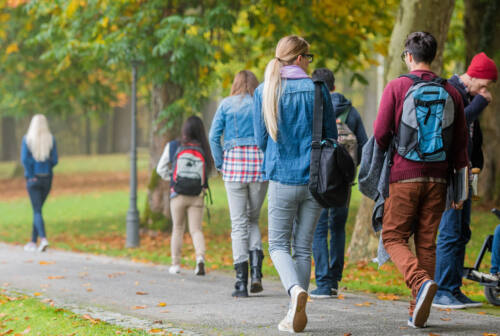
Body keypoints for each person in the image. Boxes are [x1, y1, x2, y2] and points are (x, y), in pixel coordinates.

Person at [374, 32, 468, 328]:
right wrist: (460, 187)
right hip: (439, 178)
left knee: (392, 236)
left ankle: (419, 280)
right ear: (434, 56)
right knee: (427, 243)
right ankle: (418, 309)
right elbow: (461, 144)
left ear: (409, 56)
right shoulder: (452, 92)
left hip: (404, 175)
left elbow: (379, 133)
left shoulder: (397, 86)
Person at [253, 35, 337, 333]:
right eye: (309, 57)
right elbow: (331, 137)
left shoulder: (265, 91)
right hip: (315, 180)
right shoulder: (318, 90)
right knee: (302, 247)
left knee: (277, 244)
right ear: (300, 58)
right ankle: (294, 309)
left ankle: (294, 292)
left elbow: (261, 140)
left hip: (281, 178)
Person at [433, 52, 498, 309]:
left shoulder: (470, 95)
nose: (485, 91)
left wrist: (478, 162)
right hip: (449, 173)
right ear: (473, 76)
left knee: (462, 232)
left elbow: (473, 133)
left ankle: (454, 288)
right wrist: (480, 103)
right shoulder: (452, 91)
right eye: (484, 84)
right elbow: (456, 125)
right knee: (449, 231)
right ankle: (441, 292)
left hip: (466, 172)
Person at [309, 68, 368, 299]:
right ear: (333, 86)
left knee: (319, 228)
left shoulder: (315, 108)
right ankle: (334, 280)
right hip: (343, 181)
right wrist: (350, 169)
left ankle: (323, 283)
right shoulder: (350, 111)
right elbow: (363, 143)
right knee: (338, 228)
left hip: (321, 180)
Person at [209, 70, 268, 298]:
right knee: (253, 219)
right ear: (254, 84)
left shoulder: (226, 104)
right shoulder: (261, 104)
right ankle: (256, 274)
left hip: (234, 169)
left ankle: (241, 283)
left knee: (238, 224)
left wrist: (221, 164)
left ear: (234, 84)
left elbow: (214, 137)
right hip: (259, 168)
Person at [156, 116, 213, 276]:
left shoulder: (173, 146)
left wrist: (173, 179)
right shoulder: (204, 148)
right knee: (196, 230)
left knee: (178, 228)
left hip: (178, 194)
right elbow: (212, 172)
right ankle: (200, 259)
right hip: (197, 195)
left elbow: (160, 169)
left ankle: (175, 264)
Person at [21, 114, 58, 253]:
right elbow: (55, 160)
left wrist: (31, 174)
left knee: (37, 210)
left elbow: (24, 159)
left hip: (33, 179)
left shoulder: (27, 139)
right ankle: (32, 241)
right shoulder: (51, 140)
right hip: (47, 178)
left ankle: (42, 239)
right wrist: (46, 166)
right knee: (38, 210)